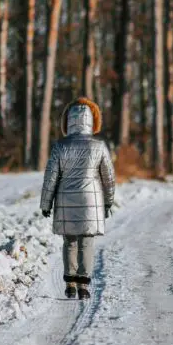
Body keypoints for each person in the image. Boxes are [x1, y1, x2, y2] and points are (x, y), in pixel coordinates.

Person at [40, 98, 116, 300]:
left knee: (70, 241)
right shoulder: (99, 146)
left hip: (65, 199)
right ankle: (84, 286)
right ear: (92, 121)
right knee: (86, 242)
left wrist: (46, 203)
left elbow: (51, 177)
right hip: (91, 200)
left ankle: (70, 284)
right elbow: (108, 177)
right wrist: (108, 200)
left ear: (68, 121)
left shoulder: (60, 146)